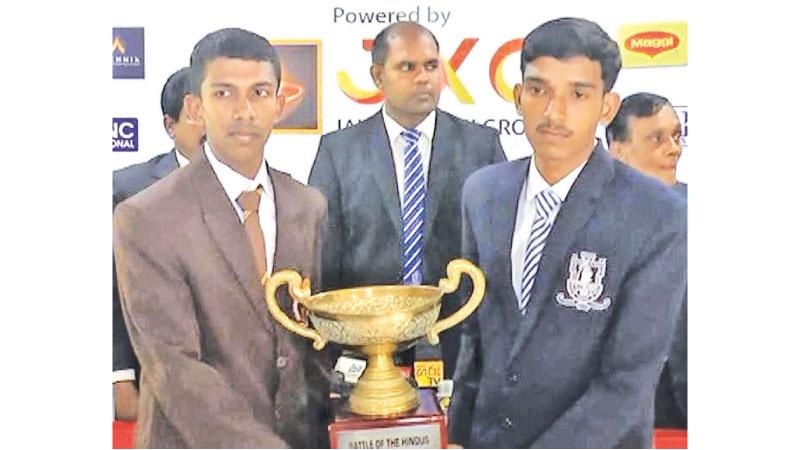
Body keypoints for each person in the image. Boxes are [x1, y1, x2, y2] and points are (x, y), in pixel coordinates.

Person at [447, 18, 687, 448]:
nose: (554, 112)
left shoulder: (657, 214)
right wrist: (460, 434)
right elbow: (475, 338)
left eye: (578, 94)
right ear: (518, 97)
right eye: (538, 90)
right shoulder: (482, 193)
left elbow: (626, 384)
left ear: (607, 107)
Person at [113, 28, 329, 447]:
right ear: (195, 106)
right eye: (225, 93)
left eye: (260, 93)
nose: (244, 110)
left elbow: (309, 346)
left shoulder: (307, 206)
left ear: (280, 105)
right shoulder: (145, 217)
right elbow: (174, 369)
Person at [308, 21, 506, 378]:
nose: (423, 78)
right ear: (378, 76)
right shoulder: (338, 152)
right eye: (407, 67)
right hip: (365, 348)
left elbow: (500, 253)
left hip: (462, 344)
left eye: (431, 66)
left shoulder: (482, 146)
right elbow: (324, 257)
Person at [112, 66, 205, 421]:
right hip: (154, 381)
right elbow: (110, 290)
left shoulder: (255, 190)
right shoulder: (127, 190)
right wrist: (119, 379)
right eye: (197, 116)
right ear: (170, 125)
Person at [607, 92, 688, 429]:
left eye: (676, 135)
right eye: (657, 138)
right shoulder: (583, 219)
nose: (673, 148)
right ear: (619, 151)